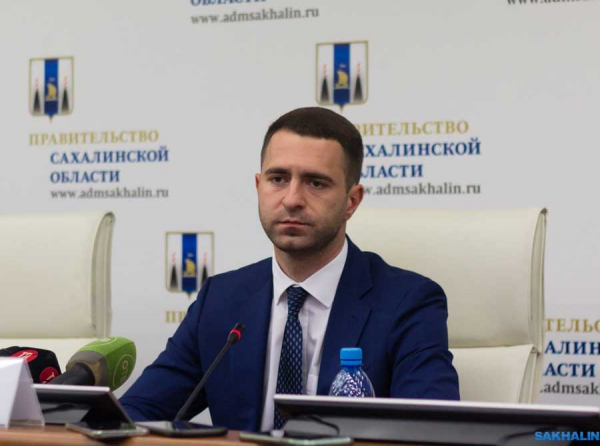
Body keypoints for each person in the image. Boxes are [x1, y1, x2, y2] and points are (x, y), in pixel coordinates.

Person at [120, 107, 460, 432]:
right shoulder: (220, 300)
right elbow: (137, 412)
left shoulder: (407, 303)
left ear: (352, 201)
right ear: (259, 186)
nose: (292, 199)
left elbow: (429, 430)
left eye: (316, 183)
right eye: (278, 179)